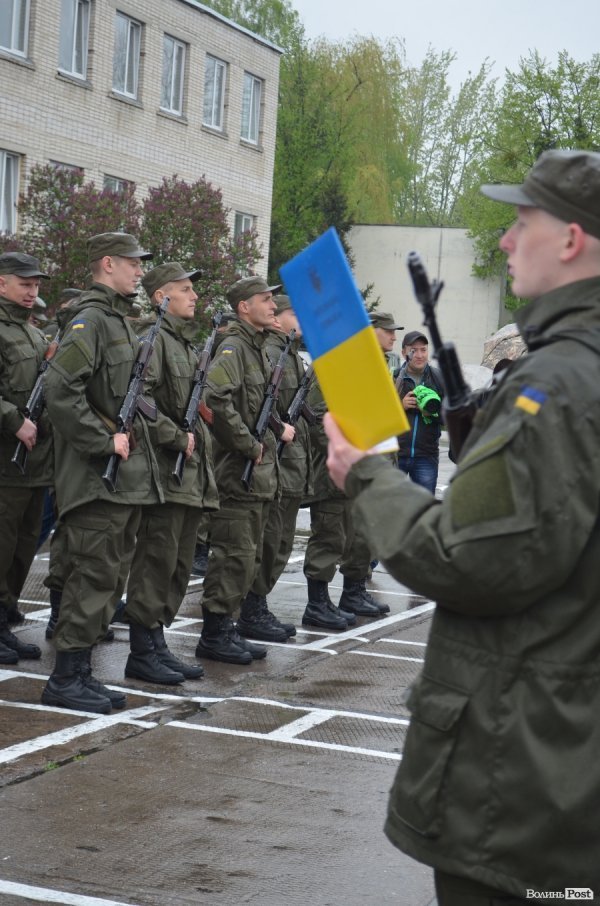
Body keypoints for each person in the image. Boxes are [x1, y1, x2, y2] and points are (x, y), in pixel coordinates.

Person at [323, 149, 600, 904]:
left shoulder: (559, 385)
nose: (508, 241)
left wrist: (366, 474)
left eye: (521, 221)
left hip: (529, 780)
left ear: (571, 240)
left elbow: (465, 562)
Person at [41, 231, 160, 714]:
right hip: (95, 476)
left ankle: (81, 672)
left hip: (119, 479)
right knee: (90, 576)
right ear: (107, 264)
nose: (140, 271)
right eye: (133, 263)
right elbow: (60, 390)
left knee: (108, 580)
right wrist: (101, 440)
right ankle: (65, 678)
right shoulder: (90, 321)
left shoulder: (118, 322)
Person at [123, 262, 219, 683]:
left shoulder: (184, 344)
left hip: (190, 476)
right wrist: (173, 437)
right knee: (156, 562)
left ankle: (157, 641)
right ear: (161, 297)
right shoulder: (154, 341)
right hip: (165, 473)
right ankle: (142, 650)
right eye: (184, 290)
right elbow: (139, 399)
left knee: (178, 566)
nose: (194, 296)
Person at [194, 275, 295, 665]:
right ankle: (214, 635)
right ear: (243, 307)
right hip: (238, 472)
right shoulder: (235, 347)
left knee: (247, 556)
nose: (273, 306)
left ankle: (228, 628)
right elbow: (215, 399)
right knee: (233, 556)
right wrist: (249, 445)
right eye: (265, 300)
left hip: (258, 475)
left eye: (273, 300)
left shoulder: (259, 349)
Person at [238, 294, 313, 641]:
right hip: (278, 461)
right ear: (279, 320)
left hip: (293, 462)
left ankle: (258, 603)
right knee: (269, 541)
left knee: (280, 542)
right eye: (292, 311)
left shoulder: (290, 354)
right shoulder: (271, 353)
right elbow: (263, 407)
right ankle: (252, 608)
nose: (299, 317)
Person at [0, 252, 52, 663]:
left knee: (22, 550)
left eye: (36, 284)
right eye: (24, 283)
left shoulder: (34, 335)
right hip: (4, 462)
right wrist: (13, 420)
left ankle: (5, 618)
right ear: (2, 284)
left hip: (35, 466)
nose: (32, 290)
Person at [395, 330, 444, 494]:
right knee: (392, 509)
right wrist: (400, 406)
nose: (419, 355)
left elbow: (452, 416)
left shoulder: (438, 378)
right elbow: (378, 416)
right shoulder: (394, 378)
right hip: (395, 455)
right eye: (413, 350)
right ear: (403, 352)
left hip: (426, 456)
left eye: (423, 349)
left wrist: (433, 412)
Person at [369, 311, 403, 377]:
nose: (394, 338)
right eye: (389, 332)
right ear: (372, 332)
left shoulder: (394, 359)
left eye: (393, 332)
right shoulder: (356, 361)